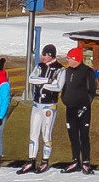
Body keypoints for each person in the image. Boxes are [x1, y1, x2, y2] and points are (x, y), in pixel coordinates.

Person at [17, 44, 64, 174]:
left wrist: (43, 84)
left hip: (49, 105)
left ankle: (45, 160)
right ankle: (31, 159)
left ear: (50, 55)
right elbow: (31, 79)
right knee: (33, 133)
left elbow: (58, 86)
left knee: (46, 133)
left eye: (44, 54)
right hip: (37, 104)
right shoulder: (39, 66)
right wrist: (47, 81)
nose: (42, 57)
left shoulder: (60, 69)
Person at [59, 47, 97, 175]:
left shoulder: (87, 71)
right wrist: (64, 99)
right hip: (70, 108)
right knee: (73, 135)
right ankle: (75, 160)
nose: (67, 60)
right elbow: (65, 87)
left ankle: (86, 162)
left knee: (83, 136)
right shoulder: (68, 71)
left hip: (83, 109)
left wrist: (85, 106)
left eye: (69, 58)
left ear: (76, 59)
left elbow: (92, 91)